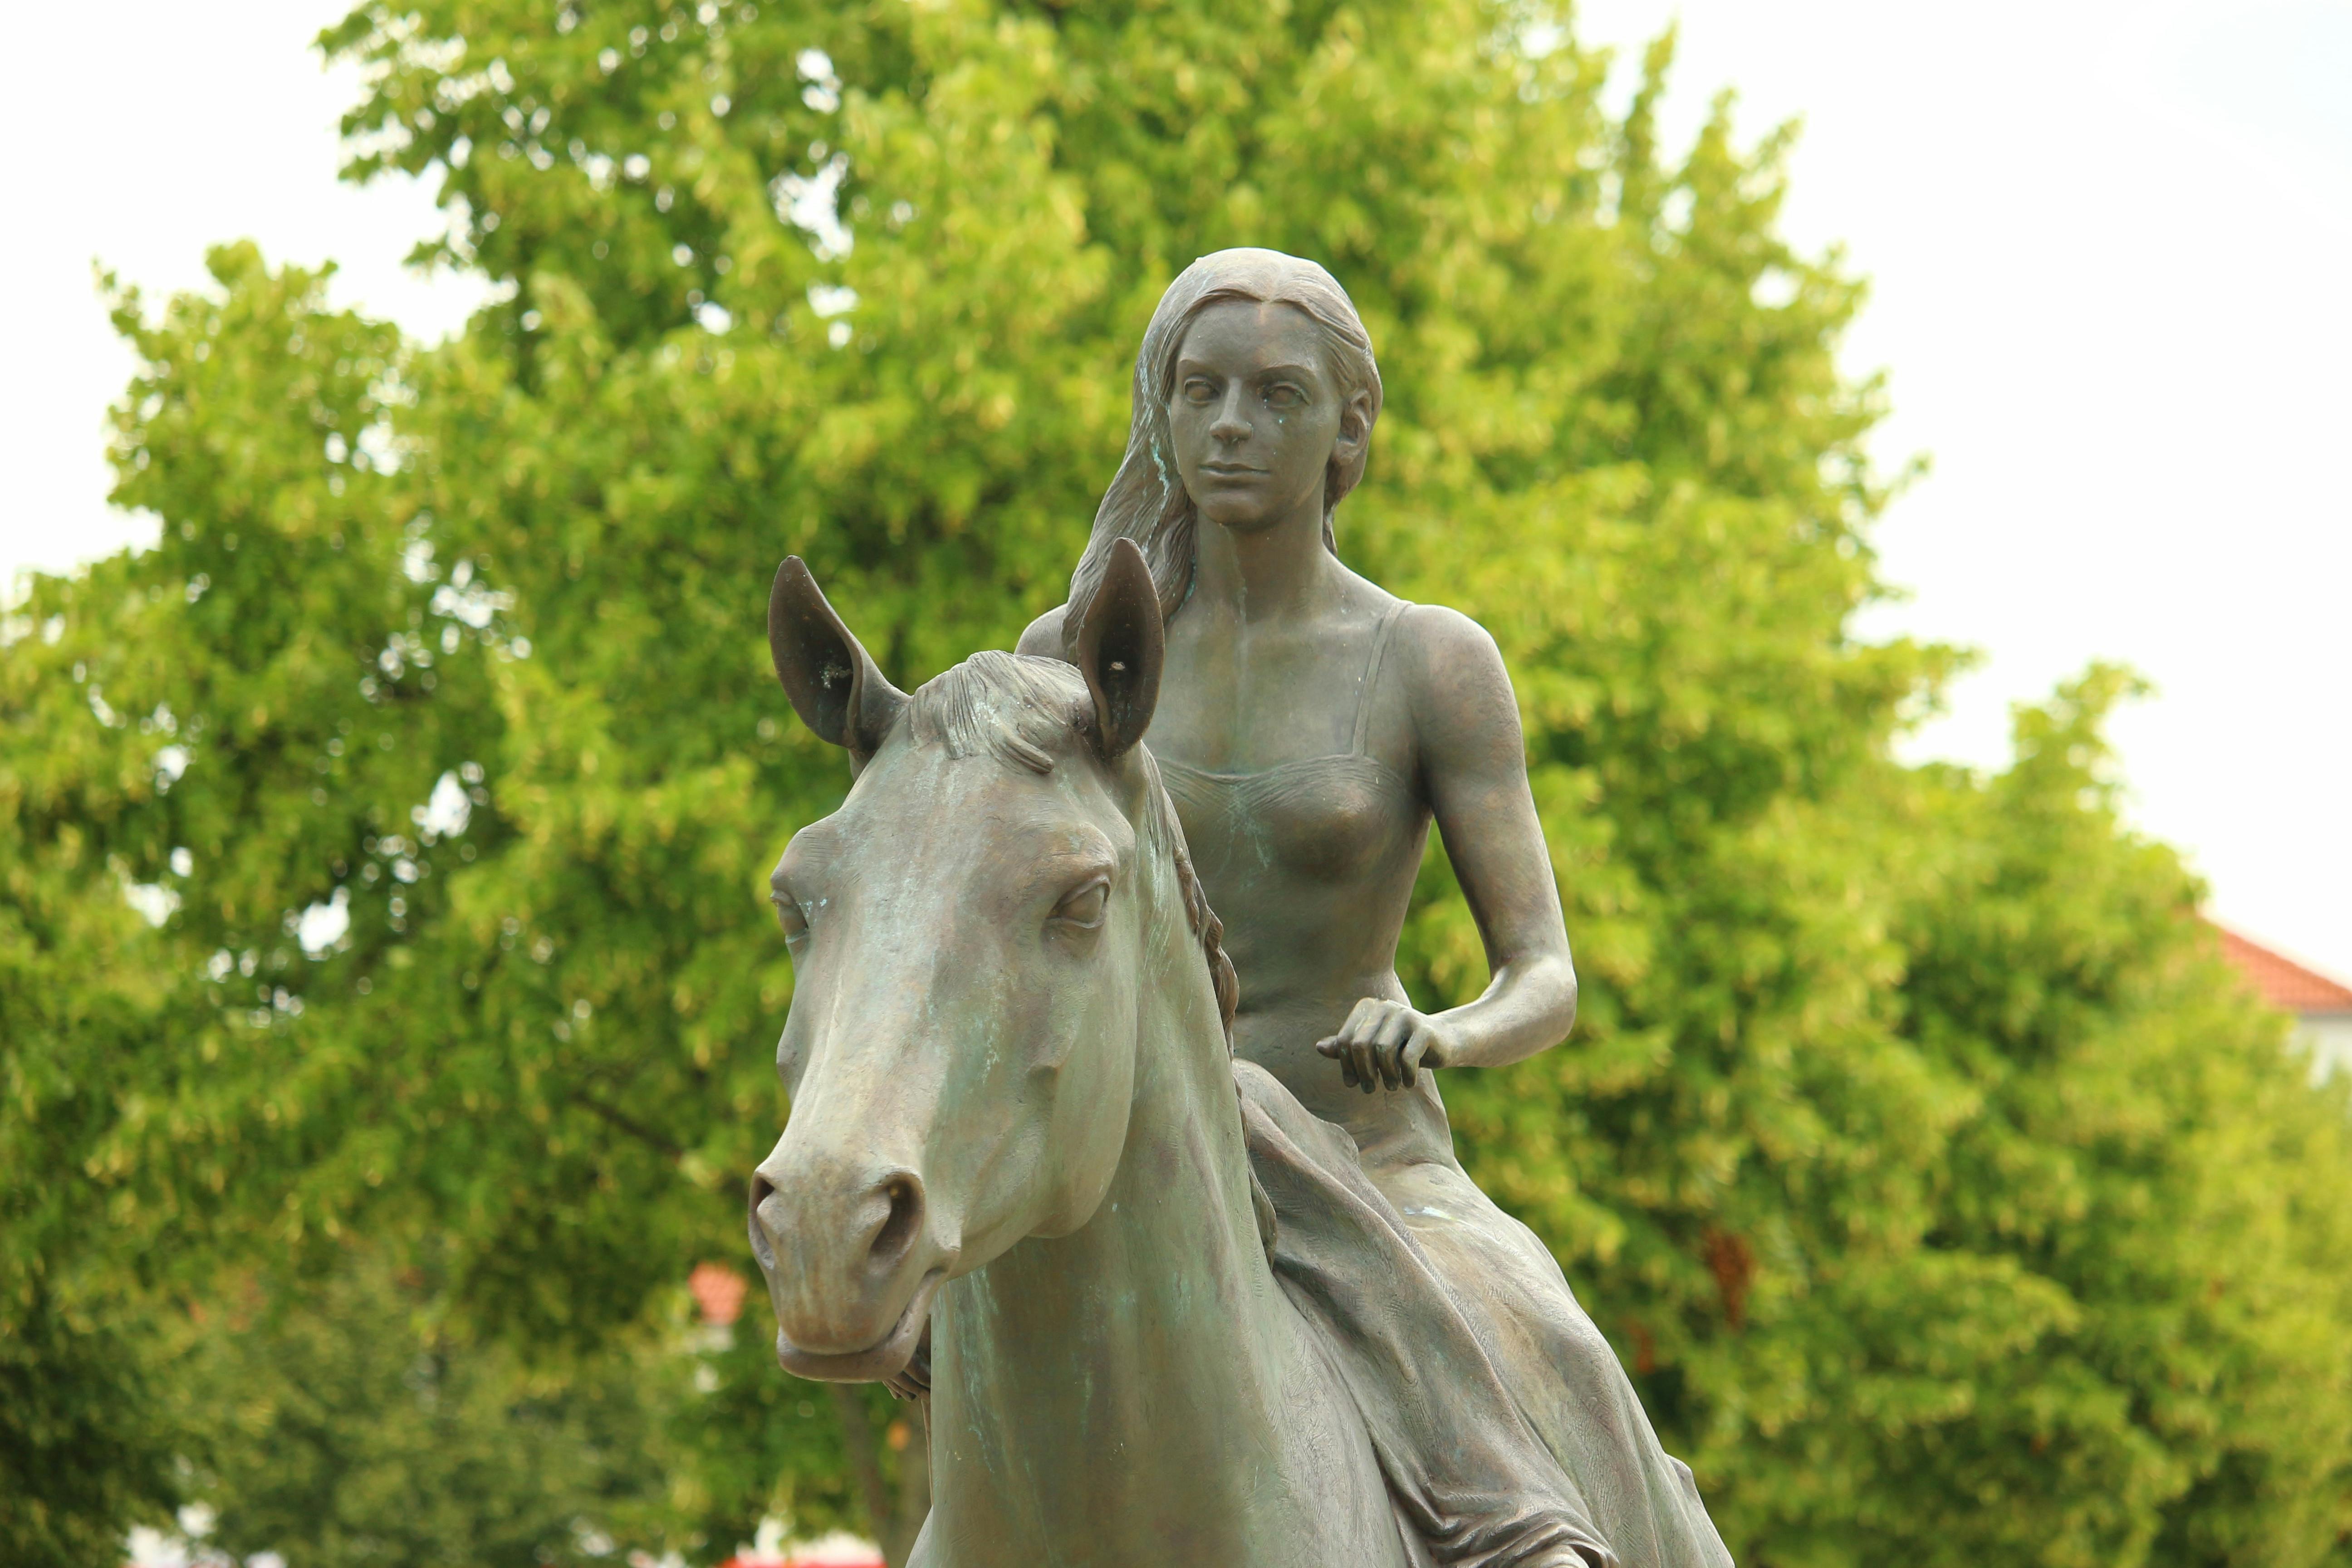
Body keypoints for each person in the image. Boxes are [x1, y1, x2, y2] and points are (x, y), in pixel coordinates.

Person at [1019, 249, 1732, 1568]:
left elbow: (1545, 975)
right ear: (1160, 411)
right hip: (1130, 1166)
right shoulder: (1066, 663)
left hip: (1373, 1163)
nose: (1232, 425)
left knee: (1552, 1352)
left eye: (1279, 396)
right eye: (1200, 390)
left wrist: (1446, 1033)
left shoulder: (1429, 663)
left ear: (1351, 425)